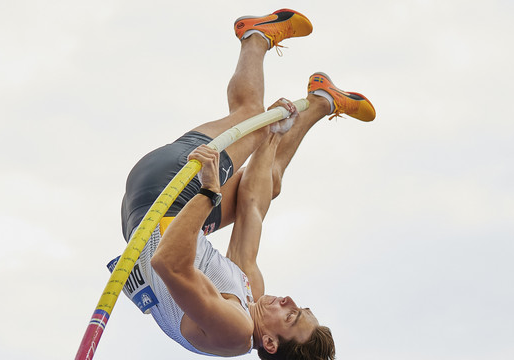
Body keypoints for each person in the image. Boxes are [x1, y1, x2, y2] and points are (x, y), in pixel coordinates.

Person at [118, 9, 375, 360]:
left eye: (290, 315)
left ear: (269, 343)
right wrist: (270, 136)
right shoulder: (251, 297)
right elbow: (252, 206)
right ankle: (321, 101)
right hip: (156, 208)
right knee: (268, 183)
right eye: (300, 307)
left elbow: (167, 264)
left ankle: (255, 36)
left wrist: (210, 190)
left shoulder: (234, 332)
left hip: (168, 193)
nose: (288, 300)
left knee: (249, 112)